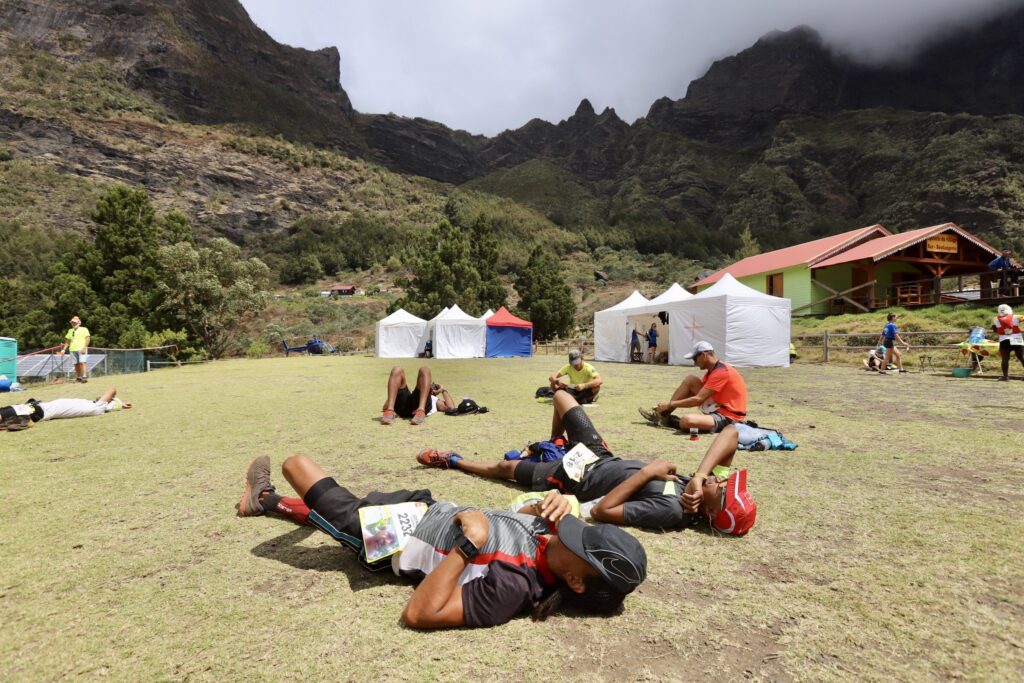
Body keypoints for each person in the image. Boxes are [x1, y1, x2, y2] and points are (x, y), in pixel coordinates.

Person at [236, 453, 647, 628]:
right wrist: (540, 506)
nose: (570, 534)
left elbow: (419, 614)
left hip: (391, 540)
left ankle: (265, 498)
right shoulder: (552, 537)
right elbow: (513, 521)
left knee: (299, 466)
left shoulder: (513, 588)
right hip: (426, 506)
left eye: (579, 545)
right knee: (340, 506)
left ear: (576, 581)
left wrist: (469, 544)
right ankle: (267, 501)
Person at [416, 390, 757, 535]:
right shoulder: (703, 487)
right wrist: (699, 475)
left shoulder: (673, 511)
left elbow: (606, 512)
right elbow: (732, 434)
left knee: (504, 471)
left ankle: (454, 461)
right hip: (598, 455)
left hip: (573, 479)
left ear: (713, 513)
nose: (723, 483)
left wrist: (651, 471)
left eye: (725, 492)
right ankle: (554, 441)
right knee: (562, 397)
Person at [637, 341, 748, 434]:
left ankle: (671, 420)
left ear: (704, 355)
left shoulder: (721, 371)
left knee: (686, 421)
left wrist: (670, 404)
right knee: (690, 380)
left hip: (729, 417)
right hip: (718, 407)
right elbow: (694, 394)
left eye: (695, 359)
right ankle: (663, 415)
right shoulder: (713, 371)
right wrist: (667, 406)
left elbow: (698, 400)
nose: (694, 362)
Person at [0, 387, 131, 430]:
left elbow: (112, 390)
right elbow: (109, 393)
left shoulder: (97, 408)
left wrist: (117, 401)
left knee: (6, 416)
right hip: (35, 409)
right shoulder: (94, 407)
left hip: (35, 410)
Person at [381, 366, 454, 425]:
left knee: (425, 370)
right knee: (397, 369)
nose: (432, 386)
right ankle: (390, 411)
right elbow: (384, 407)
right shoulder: (413, 394)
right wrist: (396, 393)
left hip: (423, 407)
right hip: (405, 406)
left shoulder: (434, 399)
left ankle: (421, 410)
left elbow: (451, 407)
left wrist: (443, 390)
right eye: (430, 384)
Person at [992, 304, 1024, 381]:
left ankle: (1005, 377)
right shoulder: (1017, 317)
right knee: (1022, 357)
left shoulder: (995, 319)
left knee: (1005, 358)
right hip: (1017, 339)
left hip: (1004, 339)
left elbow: (995, 330)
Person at [61, 316, 91, 383]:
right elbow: (68, 341)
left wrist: (84, 347)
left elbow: (88, 339)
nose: (73, 324)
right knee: (76, 364)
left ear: (79, 323)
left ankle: (84, 377)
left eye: (74, 322)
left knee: (83, 362)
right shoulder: (70, 330)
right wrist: (64, 349)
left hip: (81, 349)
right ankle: (79, 377)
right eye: (72, 322)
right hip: (72, 349)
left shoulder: (84, 329)